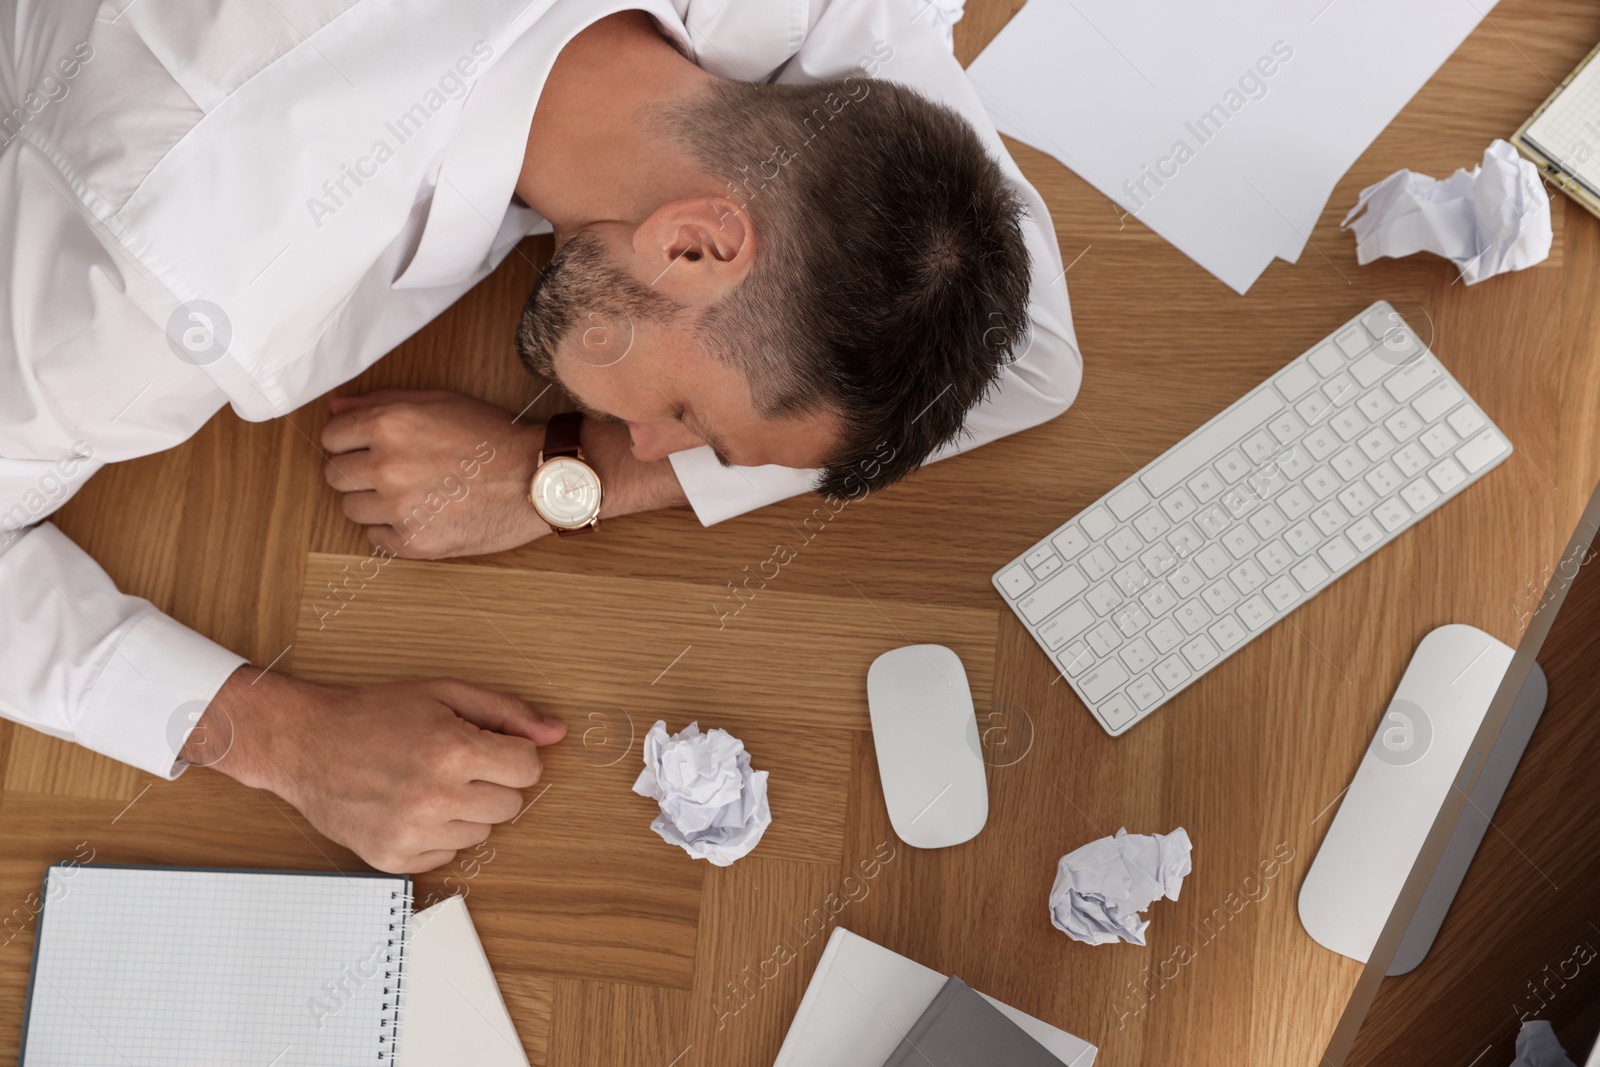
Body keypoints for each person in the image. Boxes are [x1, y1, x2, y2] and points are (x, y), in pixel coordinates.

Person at [0, 0, 1081, 872]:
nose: (655, 442)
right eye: (689, 417)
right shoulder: (154, 306)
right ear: (697, 244)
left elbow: (1022, 350)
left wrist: (563, 474)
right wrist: (277, 734)